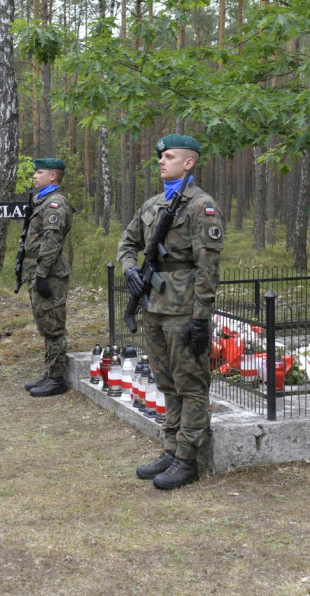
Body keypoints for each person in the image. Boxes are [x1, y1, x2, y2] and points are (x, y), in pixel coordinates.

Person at [117, 134, 224, 490]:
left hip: (183, 309)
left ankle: (187, 459)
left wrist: (200, 317)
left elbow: (207, 267)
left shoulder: (200, 206)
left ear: (189, 163)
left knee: (190, 384)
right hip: (154, 305)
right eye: (161, 156)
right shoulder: (152, 205)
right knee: (166, 381)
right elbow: (127, 243)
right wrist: (130, 269)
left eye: (170, 156)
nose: (162, 161)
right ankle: (170, 447)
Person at [21, 158, 74, 398]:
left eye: (39, 172)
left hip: (49, 272)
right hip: (38, 269)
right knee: (45, 323)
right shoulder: (42, 201)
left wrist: (42, 273)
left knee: (53, 326)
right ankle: (50, 372)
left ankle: (56, 379)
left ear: (52, 176)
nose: (35, 176)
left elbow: (52, 242)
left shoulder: (55, 204)